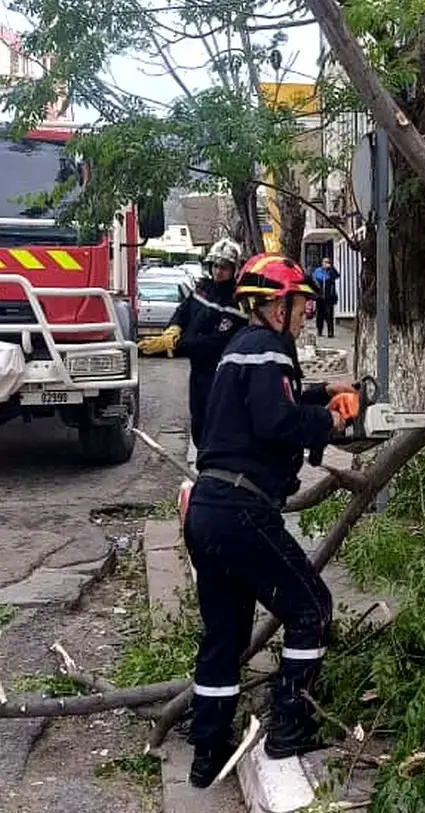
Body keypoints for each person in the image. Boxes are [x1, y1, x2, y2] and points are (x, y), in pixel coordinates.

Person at [183, 252, 355, 788]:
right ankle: (289, 727)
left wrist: (321, 391)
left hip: (208, 508)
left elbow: (269, 401)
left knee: (224, 636)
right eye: (301, 306)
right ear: (276, 307)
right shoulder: (270, 349)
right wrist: (328, 420)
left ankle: (208, 751)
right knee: (311, 608)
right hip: (242, 509)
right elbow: (275, 420)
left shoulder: (240, 349)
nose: (305, 315)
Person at [138, 238, 246, 448]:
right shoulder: (202, 288)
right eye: (215, 266)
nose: (218, 271)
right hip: (197, 371)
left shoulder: (235, 302)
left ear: (234, 270)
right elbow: (184, 310)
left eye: (224, 267)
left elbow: (214, 344)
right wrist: (173, 329)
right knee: (197, 422)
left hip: (217, 373)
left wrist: (176, 346)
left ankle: (211, 463)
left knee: (215, 425)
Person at [310, 257, 340, 338]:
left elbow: (337, 276)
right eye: (325, 262)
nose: (326, 264)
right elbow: (313, 279)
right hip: (319, 296)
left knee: (329, 314)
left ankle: (330, 332)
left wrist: (331, 268)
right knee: (320, 314)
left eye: (328, 262)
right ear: (322, 263)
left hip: (329, 296)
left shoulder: (331, 271)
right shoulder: (318, 271)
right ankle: (319, 330)